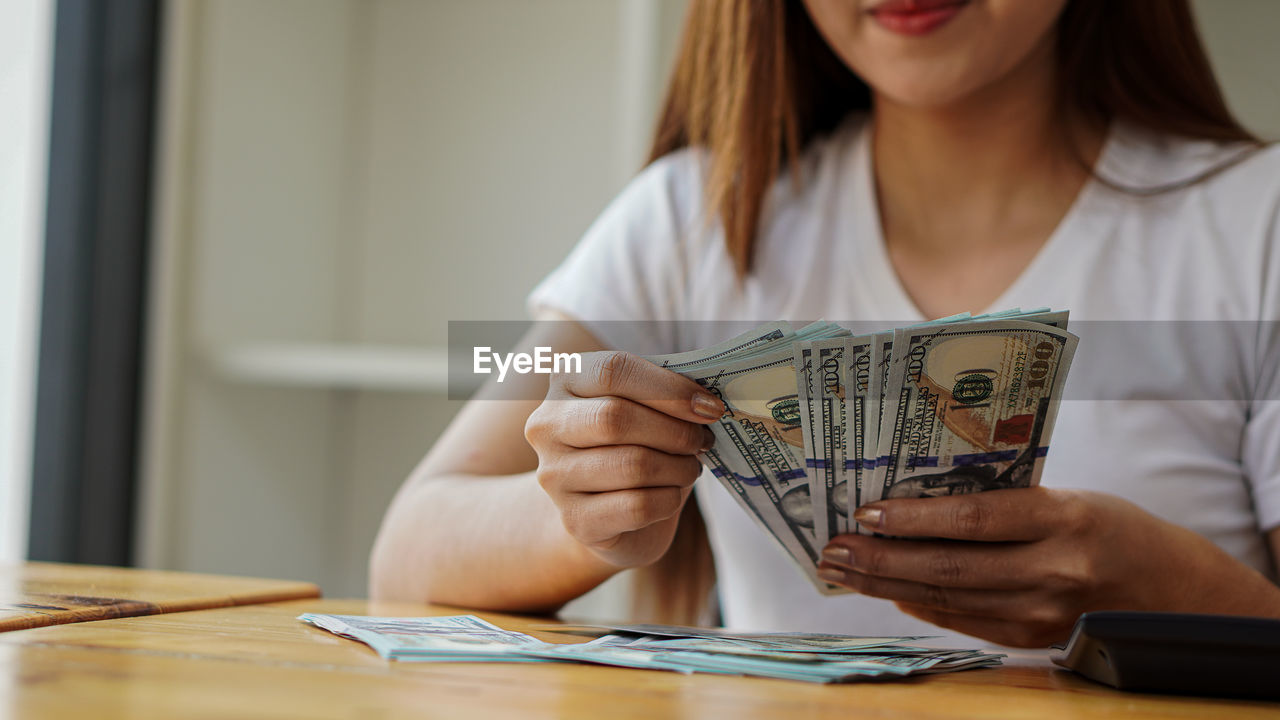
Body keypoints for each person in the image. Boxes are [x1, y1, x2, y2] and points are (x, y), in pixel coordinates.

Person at [370, 0, 1280, 647]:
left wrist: (1166, 592)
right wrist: (581, 517)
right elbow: (407, 560)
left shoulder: (1255, 226)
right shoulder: (697, 218)